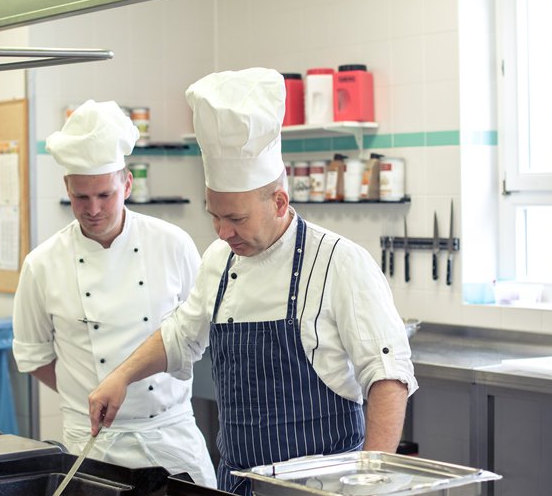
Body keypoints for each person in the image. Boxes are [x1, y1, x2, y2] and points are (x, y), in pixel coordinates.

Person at [87, 69, 418, 495]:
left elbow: (388, 376)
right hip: (239, 484)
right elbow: (181, 336)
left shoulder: (340, 262)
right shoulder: (220, 260)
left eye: (236, 218)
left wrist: (370, 481)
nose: (222, 232)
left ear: (280, 201)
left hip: (322, 488)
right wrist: (122, 376)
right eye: (215, 215)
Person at [12, 100, 216, 487]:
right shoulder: (42, 264)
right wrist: (89, 392)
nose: (93, 209)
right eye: (81, 198)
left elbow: (198, 332)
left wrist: (128, 382)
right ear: (67, 189)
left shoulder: (173, 244)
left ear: (127, 184)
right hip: (93, 442)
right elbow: (34, 356)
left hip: (170, 434)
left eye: (104, 195)